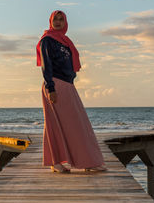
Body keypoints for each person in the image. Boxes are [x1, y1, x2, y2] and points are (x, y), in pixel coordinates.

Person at [36, 10, 107, 173]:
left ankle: (87, 161)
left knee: (78, 125)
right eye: (56, 19)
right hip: (55, 84)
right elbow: (46, 65)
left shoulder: (65, 41)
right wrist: (51, 87)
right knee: (58, 125)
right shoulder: (47, 40)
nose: (58, 22)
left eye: (61, 19)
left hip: (67, 85)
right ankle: (58, 162)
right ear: (50, 21)